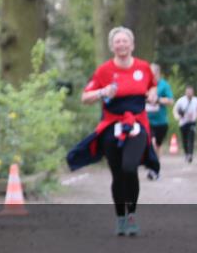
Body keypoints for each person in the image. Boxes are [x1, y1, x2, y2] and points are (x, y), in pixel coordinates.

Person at [67, 26, 159, 236]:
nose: (121, 45)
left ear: (132, 44)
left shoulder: (143, 67)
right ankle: (120, 218)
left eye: (125, 41)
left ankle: (132, 215)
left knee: (129, 168)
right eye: (117, 42)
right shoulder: (104, 71)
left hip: (136, 123)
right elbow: (85, 97)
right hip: (111, 125)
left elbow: (152, 86)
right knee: (117, 174)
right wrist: (102, 91)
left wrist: (152, 94)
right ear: (112, 46)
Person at [145, 63, 174, 179]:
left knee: (157, 145)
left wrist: (158, 100)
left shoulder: (164, 85)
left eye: (152, 72)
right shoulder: (144, 85)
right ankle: (151, 167)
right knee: (150, 142)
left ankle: (156, 168)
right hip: (146, 120)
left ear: (157, 73)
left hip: (161, 121)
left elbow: (171, 101)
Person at [173, 85, 197, 164]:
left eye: (191, 91)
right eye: (188, 91)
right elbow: (175, 110)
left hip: (192, 122)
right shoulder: (180, 100)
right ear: (185, 92)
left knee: (191, 138)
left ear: (193, 92)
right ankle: (186, 153)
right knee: (185, 139)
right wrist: (177, 117)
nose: (189, 93)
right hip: (183, 122)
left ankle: (190, 154)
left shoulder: (196, 100)